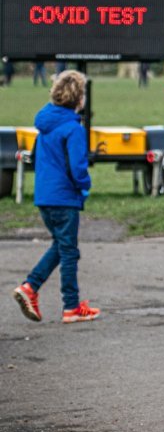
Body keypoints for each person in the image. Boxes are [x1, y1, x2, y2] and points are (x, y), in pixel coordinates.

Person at [12, 70, 100, 324]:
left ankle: (31, 287)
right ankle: (70, 306)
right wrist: (84, 187)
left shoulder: (44, 125)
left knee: (61, 246)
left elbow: (38, 159)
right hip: (65, 197)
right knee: (69, 251)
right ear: (78, 98)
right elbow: (78, 166)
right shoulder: (73, 128)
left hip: (45, 196)